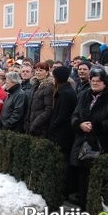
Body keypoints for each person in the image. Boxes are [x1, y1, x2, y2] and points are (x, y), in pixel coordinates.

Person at [70, 67, 108, 209]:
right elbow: (75, 115)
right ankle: (83, 208)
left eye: (98, 81)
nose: (95, 83)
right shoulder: (84, 95)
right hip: (82, 143)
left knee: (97, 180)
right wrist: (80, 124)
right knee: (82, 179)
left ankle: (95, 209)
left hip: (101, 145)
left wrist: (96, 125)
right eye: (93, 80)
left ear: (105, 83)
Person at [47, 66, 77, 198]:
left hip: (62, 134)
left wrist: (52, 126)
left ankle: (64, 190)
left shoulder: (65, 93)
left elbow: (62, 115)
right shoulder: (66, 91)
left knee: (62, 161)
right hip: (62, 132)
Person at [23, 62, 54, 137]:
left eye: (41, 70)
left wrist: (35, 124)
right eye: (36, 70)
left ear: (47, 72)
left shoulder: (49, 87)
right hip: (31, 124)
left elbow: (48, 110)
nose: (38, 72)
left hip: (41, 126)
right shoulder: (35, 85)